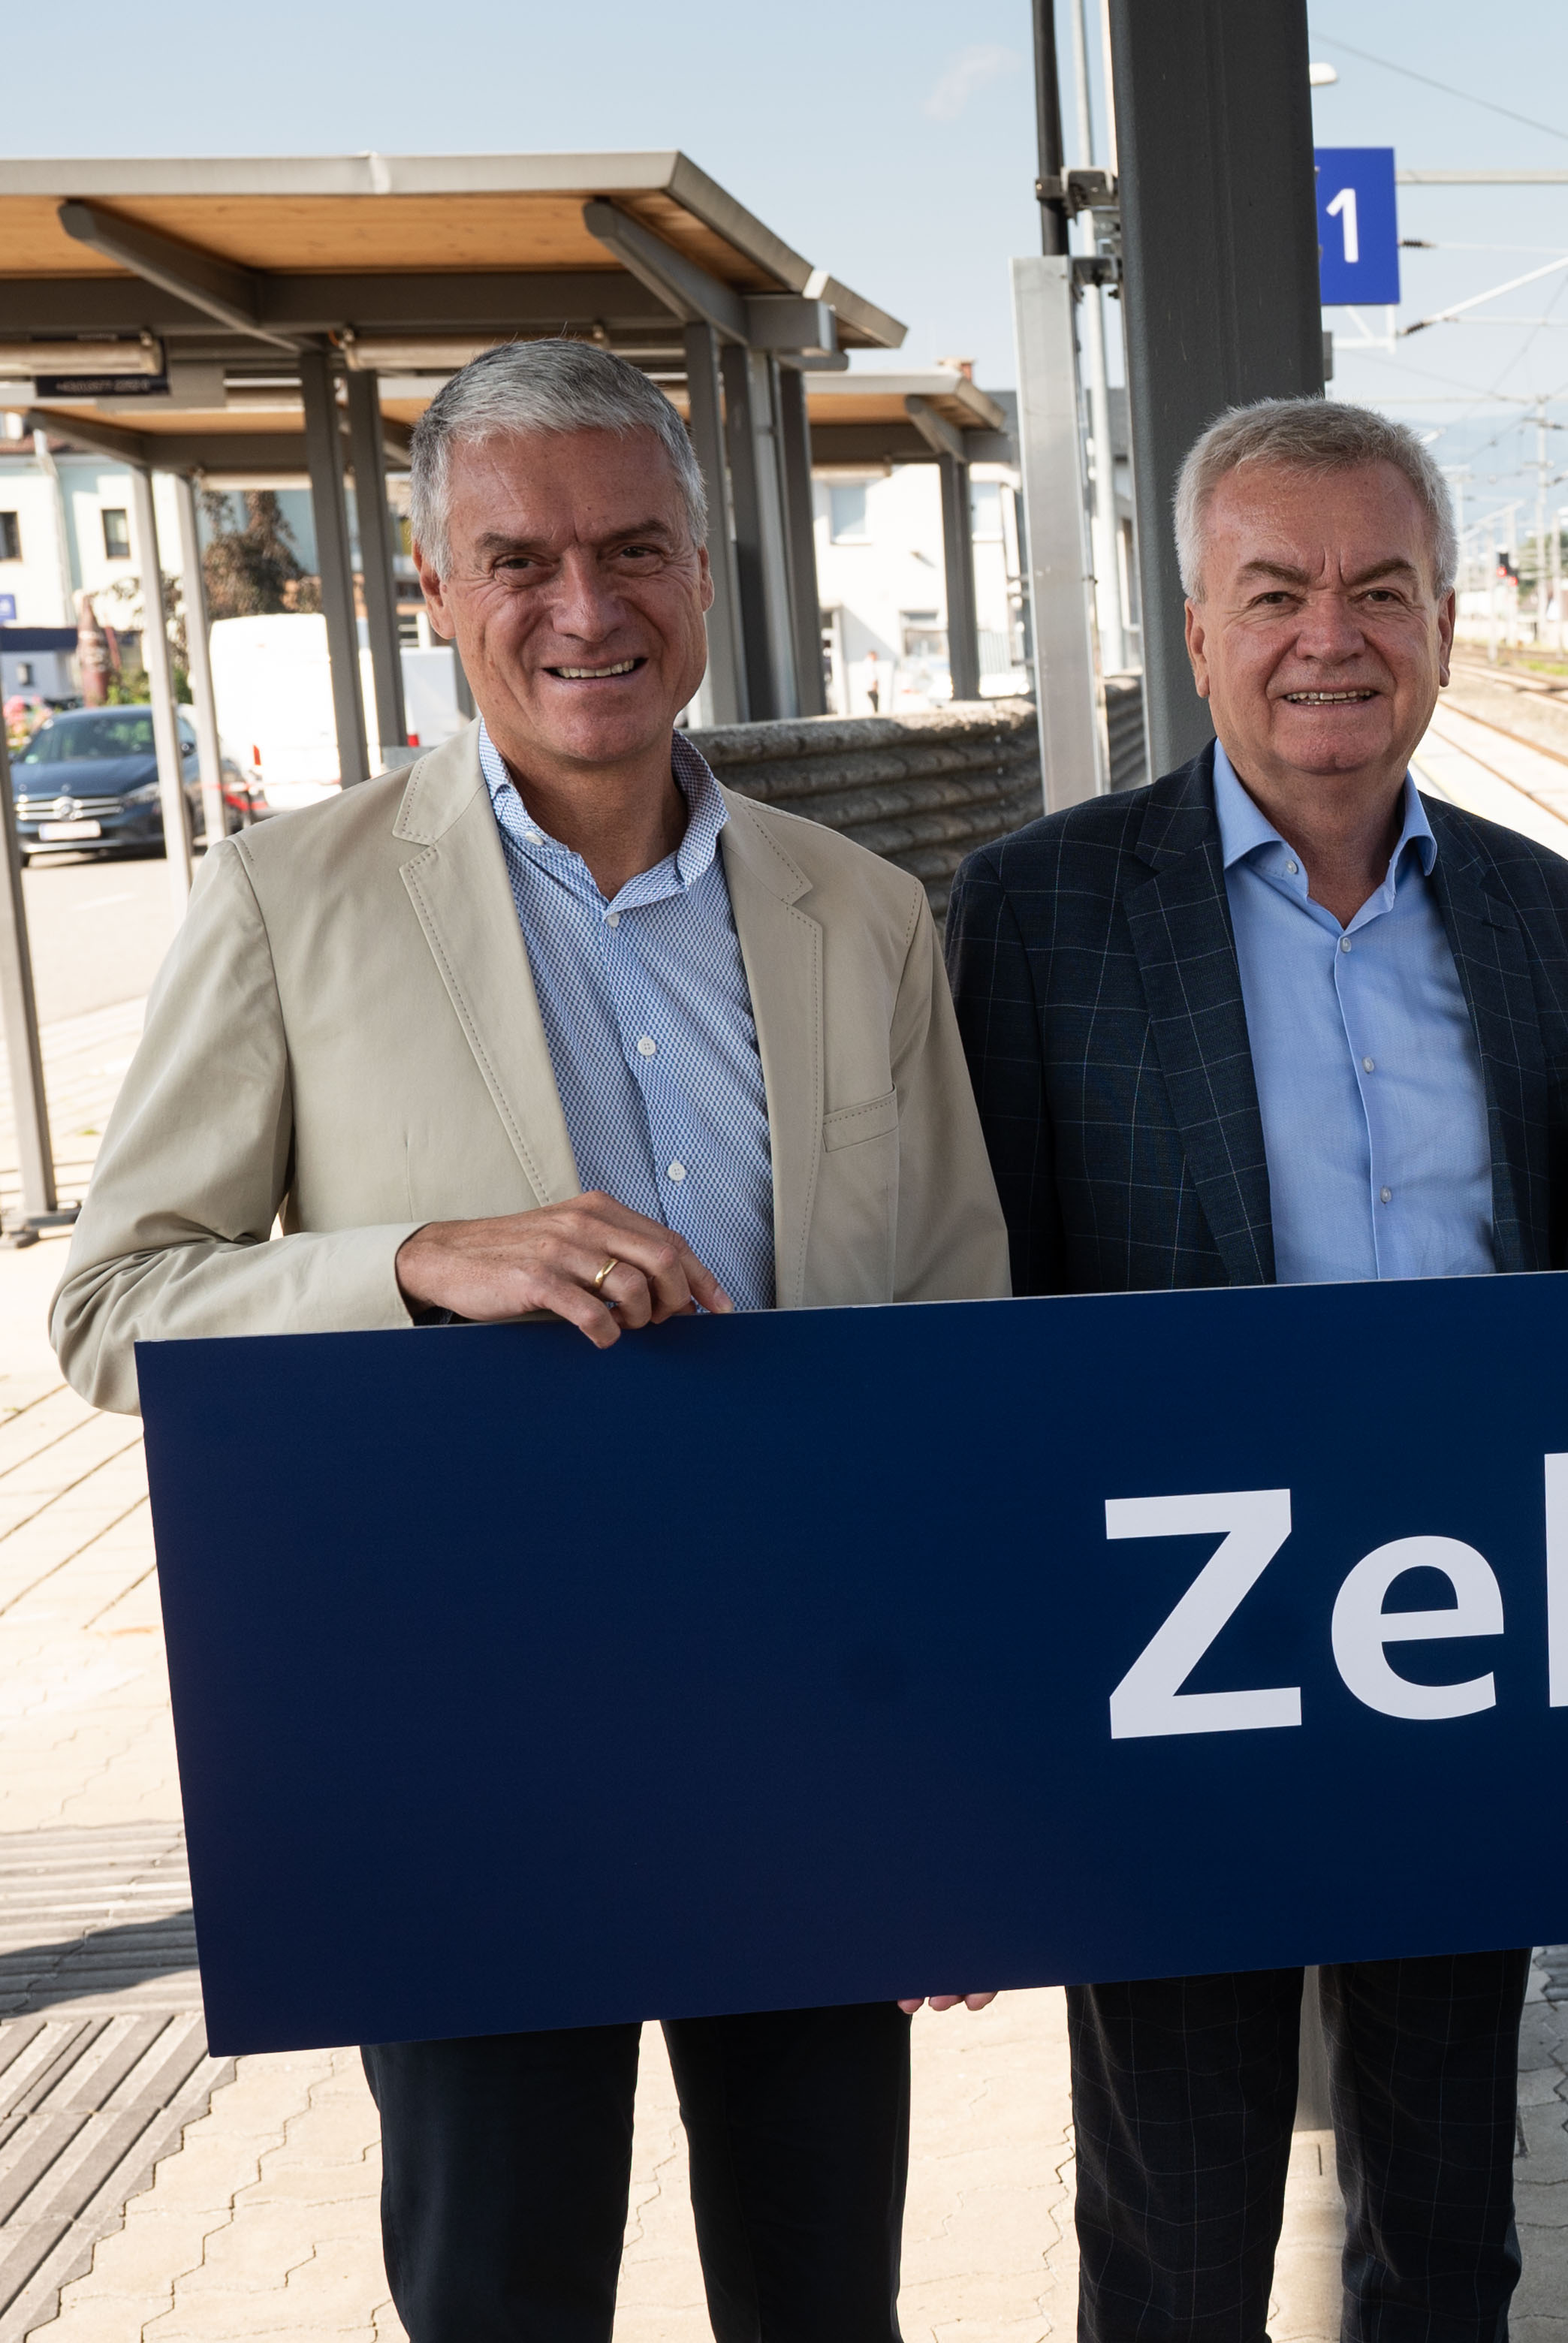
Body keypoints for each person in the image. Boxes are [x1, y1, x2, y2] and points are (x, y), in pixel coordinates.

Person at [50, 338, 1009, 2339]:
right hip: (468, 1739)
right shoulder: (288, 902)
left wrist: (953, 1791)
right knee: (501, 2293)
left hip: (801, 1733)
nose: (586, 605)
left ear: (704, 574)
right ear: (434, 595)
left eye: (632, 547)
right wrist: (406, 1265)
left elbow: (949, 1351)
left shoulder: (862, 914)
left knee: (827, 2298)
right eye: (520, 559)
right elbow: (113, 1304)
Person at [945, 396, 1568, 2342]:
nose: (1333, 633)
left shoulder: (1534, 912)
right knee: (1173, 2242)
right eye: (1277, 590)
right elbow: (995, 1322)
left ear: (1445, 619)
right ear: (1191, 618)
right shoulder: (1040, 913)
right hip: (1181, 1668)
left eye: (1380, 587)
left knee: (1446, 2226)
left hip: (1464, 1650)